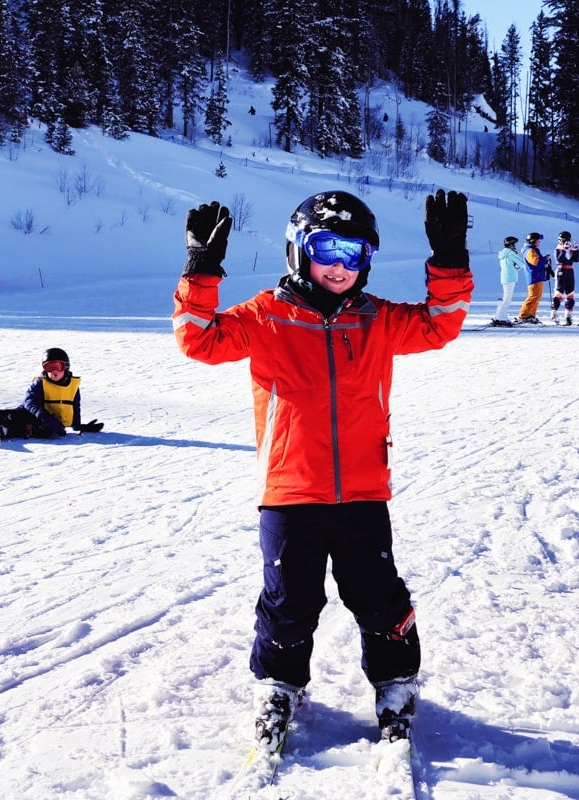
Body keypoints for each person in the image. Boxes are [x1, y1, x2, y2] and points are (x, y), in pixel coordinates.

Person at [172, 189, 473, 750]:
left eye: (354, 254)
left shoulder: (376, 318)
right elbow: (198, 338)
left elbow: (442, 323)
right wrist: (202, 268)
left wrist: (449, 258)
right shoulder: (266, 315)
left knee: (377, 597)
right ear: (299, 250)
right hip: (289, 491)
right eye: (327, 249)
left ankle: (395, 682)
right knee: (289, 601)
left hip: (362, 491)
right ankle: (279, 685)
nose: (340, 266)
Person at [0, 347, 104, 447]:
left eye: (57, 367)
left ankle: (4, 430)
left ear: (66, 367)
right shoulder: (40, 383)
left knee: (45, 431)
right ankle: (0, 427)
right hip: (29, 414)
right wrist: (48, 418)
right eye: (48, 367)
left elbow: (75, 407)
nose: (53, 372)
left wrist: (80, 427)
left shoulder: (73, 388)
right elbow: (29, 403)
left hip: (46, 425)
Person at [516, 232, 553, 324]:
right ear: (533, 241)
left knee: (537, 297)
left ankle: (531, 314)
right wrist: (545, 259)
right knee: (533, 296)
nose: (539, 242)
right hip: (534, 277)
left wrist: (545, 260)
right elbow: (535, 262)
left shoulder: (533, 250)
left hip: (538, 276)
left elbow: (538, 261)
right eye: (538, 241)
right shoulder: (530, 251)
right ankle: (523, 315)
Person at [490, 236, 525, 327]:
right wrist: (516, 266)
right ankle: (501, 318)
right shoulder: (511, 253)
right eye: (514, 244)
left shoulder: (503, 253)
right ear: (511, 244)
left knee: (506, 297)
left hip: (505, 277)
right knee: (507, 299)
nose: (515, 246)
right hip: (511, 277)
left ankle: (499, 316)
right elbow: (522, 264)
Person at [551, 230, 579, 325]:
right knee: (559, 293)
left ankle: (568, 316)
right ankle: (554, 313)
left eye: (567, 240)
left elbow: (576, 259)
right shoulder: (558, 249)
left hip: (570, 271)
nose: (566, 242)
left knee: (570, 294)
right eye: (564, 240)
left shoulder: (569, 249)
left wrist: (575, 250)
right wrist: (564, 250)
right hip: (561, 271)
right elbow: (559, 260)